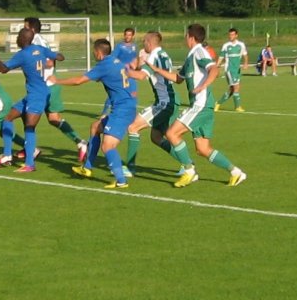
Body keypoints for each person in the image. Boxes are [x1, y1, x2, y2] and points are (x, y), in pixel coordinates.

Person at [145, 23, 247, 188]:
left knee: (172, 133)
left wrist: (202, 86)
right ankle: (236, 172)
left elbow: (214, 69)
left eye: (186, 35)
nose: (185, 38)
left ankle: (189, 171)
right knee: (202, 149)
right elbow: (178, 78)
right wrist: (156, 69)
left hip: (200, 105)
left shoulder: (199, 51)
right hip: (203, 107)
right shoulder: (190, 56)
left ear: (190, 37)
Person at [48, 38, 138, 189]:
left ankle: (121, 181)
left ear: (98, 53)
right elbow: (130, 81)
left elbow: (78, 81)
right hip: (127, 106)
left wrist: (57, 81)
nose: (94, 55)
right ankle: (87, 168)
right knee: (95, 127)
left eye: (94, 52)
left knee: (108, 146)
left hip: (122, 110)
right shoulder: (117, 62)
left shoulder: (103, 65)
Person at [0, 28, 59, 173]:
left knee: (29, 128)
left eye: (18, 36)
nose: (16, 39)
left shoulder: (22, 54)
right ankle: (7, 155)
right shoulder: (39, 48)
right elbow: (60, 57)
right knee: (7, 119)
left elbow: (5, 69)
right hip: (34, 94)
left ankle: (30, 164)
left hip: (37, 96)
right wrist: (53, 56)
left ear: (22, 39)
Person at [24, 17, 88, 163]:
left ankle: (30, 150)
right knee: (53, 119)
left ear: (32, 29)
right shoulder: (37, 41)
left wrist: (30, 64)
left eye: (25, 27)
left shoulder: (37, 41)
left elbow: (49, 61)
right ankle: (80, 142)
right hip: (45, 85)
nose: (23, 30)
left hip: (45, 86)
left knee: (27, 117)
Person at [122, 31, 180, 178]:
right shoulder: (164, 54)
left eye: (144, 41)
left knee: (133, 127)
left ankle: (130, 167)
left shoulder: (153, 56)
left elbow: (141, 76)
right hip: (170, 99)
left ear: (149, 42)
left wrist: (123, 71)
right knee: (156, 137)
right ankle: (187, 165)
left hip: (164, 102)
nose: (143, 44)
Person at [215, 28, 248, 112]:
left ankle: (218, 103)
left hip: (237, 70)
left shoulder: (241, 45)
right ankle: (237, 107)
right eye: (230, 35)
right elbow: (221, 56)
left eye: (232, 34)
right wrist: (217, 65)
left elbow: (245, 55)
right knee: (235, 87)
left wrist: (245, 63)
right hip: (229, 69)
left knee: (232, 89)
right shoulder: (226, 45)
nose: (231, 36)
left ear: (236, 35)